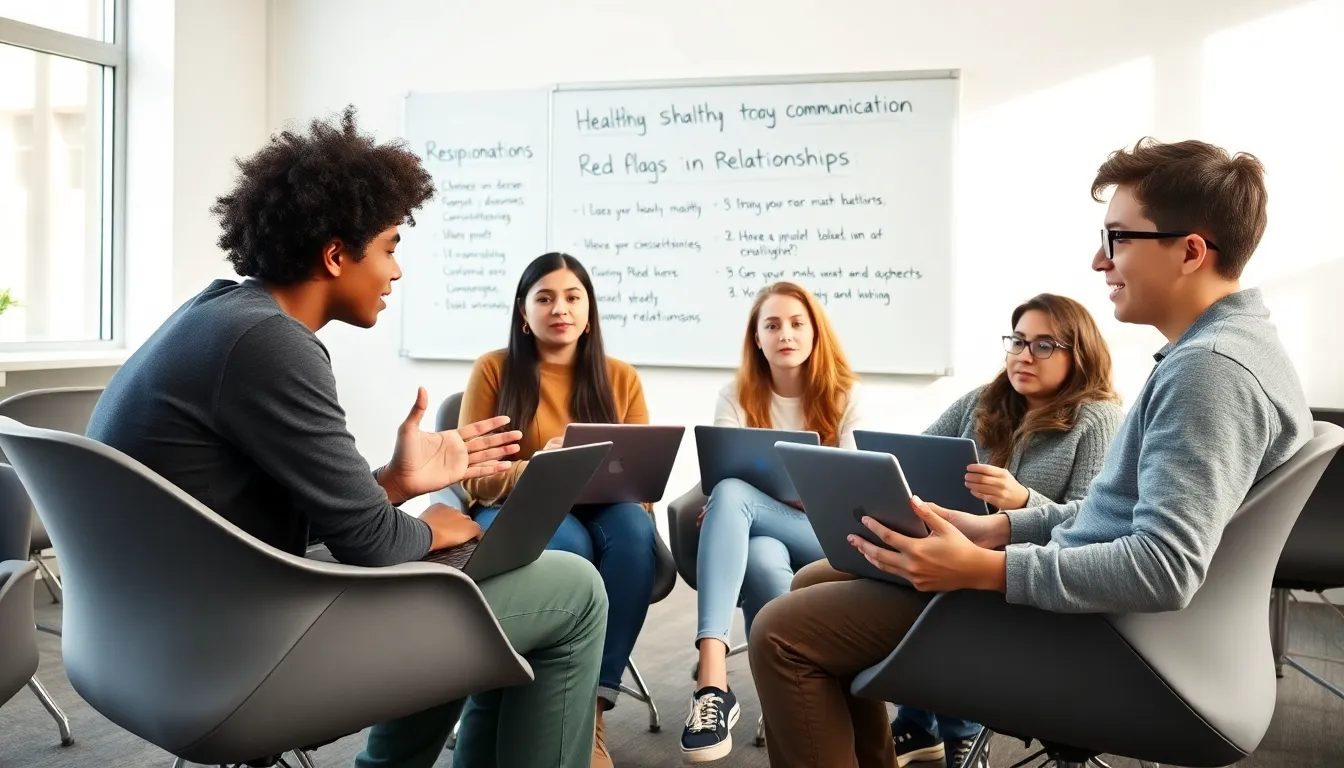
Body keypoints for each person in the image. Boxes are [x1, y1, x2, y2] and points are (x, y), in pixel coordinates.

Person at [746, 137, 1313, 768]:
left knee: (781, 632)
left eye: (1118, 237)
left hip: (1109, 641)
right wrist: (997, 529)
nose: (1099, 260)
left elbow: (1162, 568)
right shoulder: (1232, 347)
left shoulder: (1209, 372)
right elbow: (1115, 517)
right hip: (1102, 613)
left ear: (1190, 251)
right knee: (814, 578)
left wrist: (981, 569)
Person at [84, 107, 608, 768]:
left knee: (458, 590)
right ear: (336, 254)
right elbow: (376, 547)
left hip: (149, 641)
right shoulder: (271, 345)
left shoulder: (217, 314)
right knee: (573, 588)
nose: (396, 272)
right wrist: (435, 527)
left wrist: (392, 484)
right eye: (390, 246)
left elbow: (237, 515)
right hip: (231, 657)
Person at [790, 292, 1125, 767]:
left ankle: (950, 726)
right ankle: (901, 734)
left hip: (1008, 580)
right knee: (806, 580)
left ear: (1081, 354)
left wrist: (1023, 500)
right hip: (944, 555)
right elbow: (908, 459)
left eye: (1045, 345)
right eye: (1018, 341)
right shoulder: (984, 401)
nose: (1024, 355)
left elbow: (1092, 524)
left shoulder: (1098, 419)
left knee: (803, 620)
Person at [458, 251, 657, 768]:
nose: (560, 308)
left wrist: (632, 491)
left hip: (602, 508)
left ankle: (589, 710)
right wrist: (542, 470)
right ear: (523, 313)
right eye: (544, 297)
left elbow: (641, 482)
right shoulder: (493, 370)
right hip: (517, 507)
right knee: (566, 548)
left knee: (635, 531)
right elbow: (474, 478)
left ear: (589, 311)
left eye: (572, 297)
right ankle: (535, 699)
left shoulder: (621, 377)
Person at [680, 281, 864, 763]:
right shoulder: (735, 394)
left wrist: (737, 502)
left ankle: (712, 682)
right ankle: (794, 688)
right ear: (756, 338)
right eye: (772, 325)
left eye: (797, 323)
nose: (786, 333)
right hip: (767, 534)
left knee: (734, 496)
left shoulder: (847, 395)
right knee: (760, 555)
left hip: (829, 537)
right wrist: (740, 503)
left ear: (815, 332)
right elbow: (722, 469)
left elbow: (844, 494)